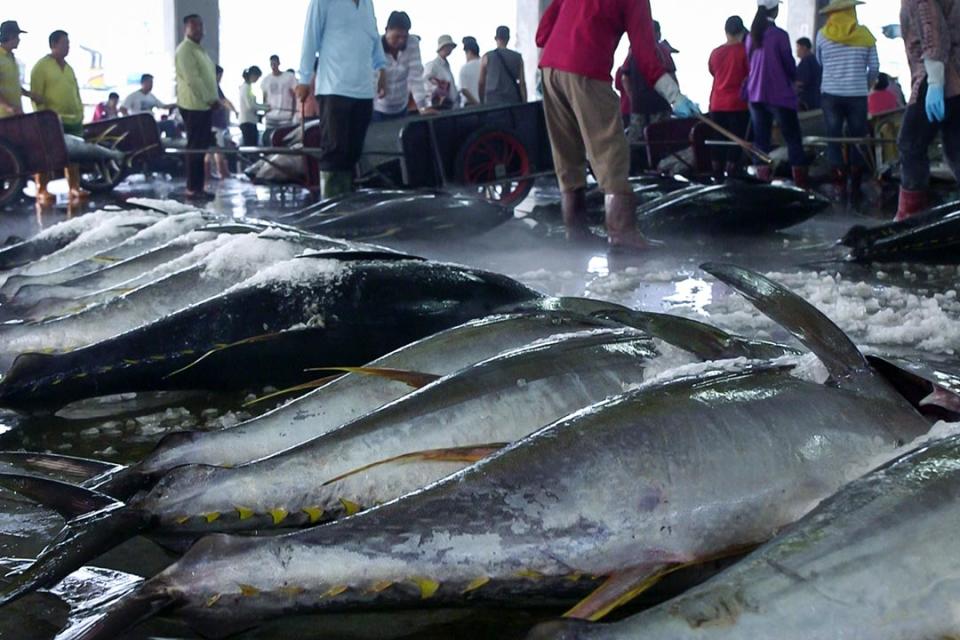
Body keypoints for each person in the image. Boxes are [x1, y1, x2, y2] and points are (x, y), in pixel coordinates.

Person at [537, 0, 698, 250]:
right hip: (586, 68)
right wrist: (675, 96)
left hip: (550, 69)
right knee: (610, 152)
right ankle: (622, 234)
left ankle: (575, 233)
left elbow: (542, 32)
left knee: (566, 156)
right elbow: (646, 57)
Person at [296, 0, 386, 200]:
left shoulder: (367, 3)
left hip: (363, 90)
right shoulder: (322, 2)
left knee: (354, 152)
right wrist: (304, 79)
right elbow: (310, 38)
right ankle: (330, 208)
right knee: (335, 150)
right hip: (334, 88)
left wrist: (382, 67)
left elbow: (373, 35)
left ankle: (345, 204)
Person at [894, 0, 960, 221]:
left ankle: (911, 215)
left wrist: (935, 82)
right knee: (955, 147)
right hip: (954, 72)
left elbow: (932, 32)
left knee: (910, 143)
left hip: (938, 73)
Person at [816, 0, 879, 204]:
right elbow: (875, 67)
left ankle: (839, 185)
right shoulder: (865, 35)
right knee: (857, 138)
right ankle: (855, 185)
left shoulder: (823, 35)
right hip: (857, 95)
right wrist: (865, 84)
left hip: (831, 95)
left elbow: (820, 62)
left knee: (833, 138)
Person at [745, 0, 809, 188]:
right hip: (779, 95)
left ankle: (762, 184)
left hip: (755, 95)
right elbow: (789, 64)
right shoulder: (779, 35)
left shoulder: (751, 36)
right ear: (776, 9)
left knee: (761, 141)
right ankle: (801, 187)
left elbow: (749, 63)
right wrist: (793, 79)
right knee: (793, 139)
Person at [30, 29, 87, 204]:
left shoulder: (69, 68)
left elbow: (75, 92)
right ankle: (42, 189)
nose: (68, 47)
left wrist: (80, 112)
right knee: (48, 155)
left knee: (74, 155)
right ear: (54, 45)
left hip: (73, 119)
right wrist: (43, 118)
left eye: (68, 44)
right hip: (52, 120)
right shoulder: (41, 67)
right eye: (64, 43)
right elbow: (35, 95)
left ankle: (74, 187)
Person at [174, 14, 219, 200]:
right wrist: (210, 98)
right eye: (194, 27)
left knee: (201, 148)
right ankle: (192, 188)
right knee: (195, 148)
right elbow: (194, 80)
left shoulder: (199, 50)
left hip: (203, 106)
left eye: (200, 26)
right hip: (194, 106)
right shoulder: (185, 50)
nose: (199, 30)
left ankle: (198, 187)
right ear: (186, 29)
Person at [708, 16, 751, 177]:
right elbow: (750, 75)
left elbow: (712, 71)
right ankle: (731, 175)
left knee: (717, 139)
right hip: (738, 104)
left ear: (725, 32)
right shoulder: (745, 52)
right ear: (741, 31)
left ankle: (716, 174)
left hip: (717, 103)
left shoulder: (715, 53)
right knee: (736, 140)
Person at [373, 11, 430, 121]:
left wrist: (422, 107)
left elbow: (415, 77)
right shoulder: (375, 46)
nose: (401, 41)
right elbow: (371, 79)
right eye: (397, 36)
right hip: (378, 109)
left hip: (401, 107)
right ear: (387, 30)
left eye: (404, 36)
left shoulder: (412, 43)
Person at [479, 25, 526, 106]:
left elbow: (481, 82)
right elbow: (522, 83)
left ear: (495, 38)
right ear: (508, 38)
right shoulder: (518, 57)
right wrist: (524, 101)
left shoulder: (487, 56)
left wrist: (481, 101)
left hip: (492, 101)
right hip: (512, 100)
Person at [0, 21, 39, 118]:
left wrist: (29, 94)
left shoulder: (11, 57)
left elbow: (13, 85)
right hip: (3, 117)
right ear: (10, 36)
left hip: (14, 115)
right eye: (17, 37)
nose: (19, 40)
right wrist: (8, 107)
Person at [206, 65, 237, 181]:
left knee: (210, 149)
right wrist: (233, 109)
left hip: (212, 123)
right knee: (218, 148)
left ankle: (210, 172)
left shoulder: (212, 86)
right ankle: (223, 172)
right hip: (215, 123)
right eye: (220, 76)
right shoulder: (212, 86)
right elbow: (223, 101)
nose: (220, 78)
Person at [261, 55, 296, 131]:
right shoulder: (266, 80)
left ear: (279, 63)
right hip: (270, 116)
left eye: (275, 63)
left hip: (286, 116)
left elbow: (294, 96)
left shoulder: (289, 77)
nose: (273, 66)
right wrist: (265, 112)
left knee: (284, 139)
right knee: (270, 139)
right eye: (271, 64)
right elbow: (264, 97)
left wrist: (293, 113)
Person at [423, 35, 459, 110]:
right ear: (443, 47)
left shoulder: (446, 65)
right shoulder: (432, 65)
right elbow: (425, 81)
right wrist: (437, 88)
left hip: (450, 105)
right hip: (438, 106)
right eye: (448, 46)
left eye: (451, 47)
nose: (450, 49)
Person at [239, 65, 268, 147]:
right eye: (257, 77)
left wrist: (265, 106)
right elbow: (251, 106)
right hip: (247, 121)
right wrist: (265, 108)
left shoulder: (248, 87)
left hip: (250, 121)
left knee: (251, 144)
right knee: (250, 146)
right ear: (253, 75)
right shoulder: (246, 88)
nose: (257, 79)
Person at [794, 37, 822, 110]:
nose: (796, 50)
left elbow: (801, 82)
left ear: (804, 47)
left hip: (806, 101)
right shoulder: (813, 60)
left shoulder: (806, 62)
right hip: (815, 100)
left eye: (798, 47)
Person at [459, 36, 481, 107]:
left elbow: (463, 89)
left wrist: (477, 104)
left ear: (469, 52)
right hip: (486, 104)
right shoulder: (486, 64)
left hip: (470, 106)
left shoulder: (465, 68)